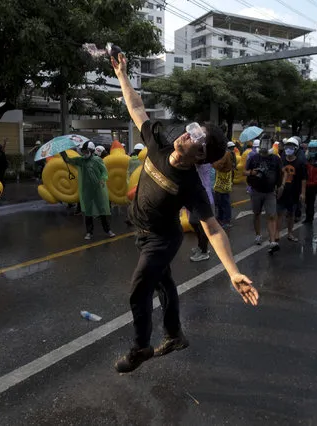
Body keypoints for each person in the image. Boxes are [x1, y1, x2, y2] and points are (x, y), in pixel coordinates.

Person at [111, 52, 258, 373]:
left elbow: (213, 228)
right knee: (163, 283)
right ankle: (175, 335)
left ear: (201, 156)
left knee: (140, 289)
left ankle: (140, 348)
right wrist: (122, 75)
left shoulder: (191, 184)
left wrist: (233, 272)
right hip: (141, 230)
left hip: (161, 240)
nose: (188, 134)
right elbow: (137, 108)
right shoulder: (158, 141)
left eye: (197, 138)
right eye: (192, 129)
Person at [61, 141, 115, 240]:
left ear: (91, 151)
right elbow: (69, 160)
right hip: (87, 190)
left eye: (86, 151)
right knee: (88, 212)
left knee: (102, 209)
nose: (84, 153)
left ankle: (108, 230)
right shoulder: (81, 161)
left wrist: (103, 179)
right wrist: (63, 153)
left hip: (98, 189)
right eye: (83, 151)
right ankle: (89, 232)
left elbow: (104, 171)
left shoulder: (97, 160)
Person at [244, 139, 282, 249]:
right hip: (256, 190)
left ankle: (272, 241)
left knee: (271, 215)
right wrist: (252, 172)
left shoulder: (275, 159)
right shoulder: (253, 158)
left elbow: (281, 173)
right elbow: (244, 171)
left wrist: (280, 186)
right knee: (257, 213)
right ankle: (258, 235)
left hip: (270, 191)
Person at [275, 138, 307, 247]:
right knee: (279, 213)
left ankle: (290, 233)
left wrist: (302, 193)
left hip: (294, 192)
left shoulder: (300, 163)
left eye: (291, 147)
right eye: (287, 146)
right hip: (281, 192)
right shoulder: (281, 161)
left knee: (291, 214)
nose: (288, 149)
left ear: (296, 149)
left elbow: (303, 179)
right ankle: (277, 233)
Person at [188, 163, 214, 262]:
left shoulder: (203, 163)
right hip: (194, 197)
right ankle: (200, 246)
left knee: (203, 227)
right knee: (193, 222)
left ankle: (204, 251)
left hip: (204, 197)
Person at [212, 142, 235, 228]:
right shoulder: (224, 153)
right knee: (220, 201)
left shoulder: (226, 154)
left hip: (223, 181)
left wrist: (213, 162)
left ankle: (226, 221)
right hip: (220, 180)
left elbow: (218, 165)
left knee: (224, 202)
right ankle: (221, 219)